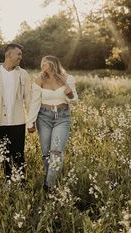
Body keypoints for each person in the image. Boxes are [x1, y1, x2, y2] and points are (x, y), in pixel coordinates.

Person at [27, 55, 78, 191]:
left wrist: (70, 94)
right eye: (41, 61)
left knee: (56, 152)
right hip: (43, 117)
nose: (42, 64)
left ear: (53, 63)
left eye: (45, 62)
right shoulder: (39, 80)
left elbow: (75, 101)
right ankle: (50, 177)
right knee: (46, 153)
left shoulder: (68, 79)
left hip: (62, 117)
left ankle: (49, 186)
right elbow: (35, 102)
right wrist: (30, 122)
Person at [0, 43, 31, 180]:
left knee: (19, 154)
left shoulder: (23, 74)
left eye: (21, 54)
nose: (20, 57)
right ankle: (8, 180)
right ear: (8, 55)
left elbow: (28, 98)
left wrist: (31, 120)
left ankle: (21, 181)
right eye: (18, 54)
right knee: (4, 154)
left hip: (18, 121)